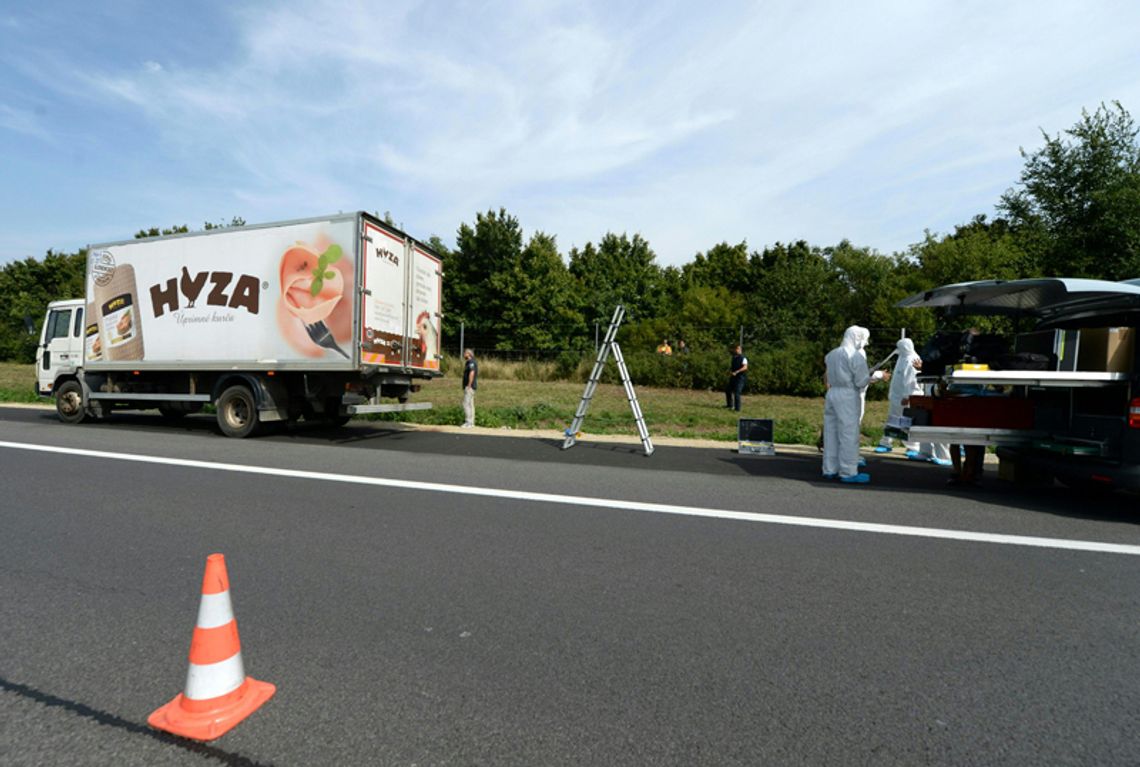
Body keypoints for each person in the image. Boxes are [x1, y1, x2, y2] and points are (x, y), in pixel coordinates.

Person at [822, 326, 889, 484]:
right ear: (857, 338)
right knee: (848, 434)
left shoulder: (831, 354)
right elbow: (861, 381)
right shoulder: (856, 356)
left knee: (831, 433)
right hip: (848, 395)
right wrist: (875, 376)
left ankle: (829, 469)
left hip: (832, 394)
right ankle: (848, 471)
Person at [874, 338, 926, 458]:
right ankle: (886, 443)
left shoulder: (912, 359)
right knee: (893, 420)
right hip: (897, 397)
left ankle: (913, 447)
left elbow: (911, 381)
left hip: (908, 397)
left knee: (907, 422)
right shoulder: (902, 357)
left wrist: (907, 396)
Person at [725, 344, 748, 411]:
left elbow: (745, 367)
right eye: (735, 349)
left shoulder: (743, 358)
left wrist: (737, 372)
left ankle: (737, 408)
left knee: (737, 392)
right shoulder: (734, 357)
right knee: (728, 390)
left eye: (737, 349)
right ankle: (730, 405)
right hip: (733, 377)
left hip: (740, 378)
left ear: (740, 350)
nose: (736, 350)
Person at [461, 348, 477, 428]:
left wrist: (469, 385)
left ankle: (468, 422)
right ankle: (472, 422)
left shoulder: (471, 363)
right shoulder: (468, 362)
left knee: (466, 404)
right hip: (470, 386)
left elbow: (472, 373)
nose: (464, 354)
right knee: (470, 404)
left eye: (465, 353)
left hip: (469, 387)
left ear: (469, 354)